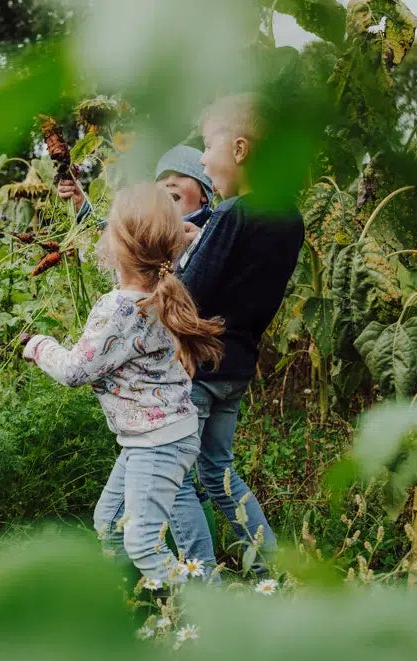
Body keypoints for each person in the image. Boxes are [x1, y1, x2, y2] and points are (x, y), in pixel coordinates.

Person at [22, 184, 224, 586]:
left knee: (142, 542)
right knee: (110, 521)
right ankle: (131, 604)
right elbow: (143, 256)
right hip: (159, 434)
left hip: (155, 439)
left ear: (121, 246)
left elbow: (75, 372)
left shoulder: (118, 308)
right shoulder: (165, 284)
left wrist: (39, 346)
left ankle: (205, 620)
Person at [173, 93, 305, 574]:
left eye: (208, 145)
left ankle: (204, 585)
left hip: (199, 367)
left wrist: (182, 257)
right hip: (237, 369)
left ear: (240, 149)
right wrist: (201, 238)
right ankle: (274, 571)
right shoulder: (289, 218)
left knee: (177, 479)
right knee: (219, 471)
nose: (203, 158)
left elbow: (189, 293)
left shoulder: (233, 214)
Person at [58, 145, 214, 233]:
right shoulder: (147, 230)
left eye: (182, 175)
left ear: (204, 194)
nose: (170, 182)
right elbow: (111, 235)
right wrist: (82, 205)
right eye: (163, 177)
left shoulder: (216, 228)